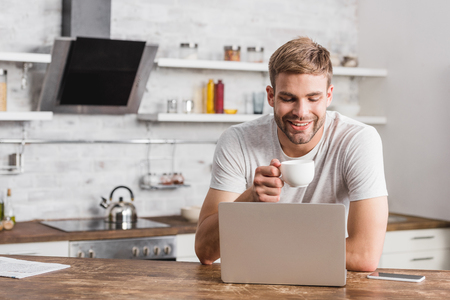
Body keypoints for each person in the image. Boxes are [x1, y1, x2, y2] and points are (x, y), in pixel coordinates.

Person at [195, 37, 388, 272]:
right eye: (288, 98)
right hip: (253, 284)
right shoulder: (238, 140)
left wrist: (266, 245)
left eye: (313, 98)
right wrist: (249, 200)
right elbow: (205, 251)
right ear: (270, 96)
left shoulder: (357, 140)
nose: (301, 112)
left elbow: (364, 256)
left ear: (329, 96)